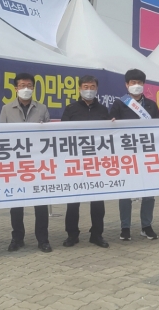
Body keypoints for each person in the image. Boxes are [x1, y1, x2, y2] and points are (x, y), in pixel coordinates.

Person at [0, 73, 52, 253]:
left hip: (37, 163)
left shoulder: (42, 108)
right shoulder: (7, 109)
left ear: (33, 88)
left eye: (29, 86)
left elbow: (49, 135)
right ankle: (17, 238)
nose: (26, 89)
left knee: (41, 203)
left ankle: (43, 239)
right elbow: (0, 135)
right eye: (22, 85)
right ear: (16, 88)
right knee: (16, 203)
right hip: (16, 163)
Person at [110, 69, 159, 241]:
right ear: (127, 84)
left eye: (139, 83)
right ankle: (125, 227)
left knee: (149, 192)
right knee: (125, 192)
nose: (136, 85)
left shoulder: (151, 105)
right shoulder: (119, 104)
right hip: (126, 155)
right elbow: (111, 129)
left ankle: (146, 226)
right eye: (133, 82)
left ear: (144, 84)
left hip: (146, 154)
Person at [61, 75, 110, 249]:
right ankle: (72, 234)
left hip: (96, 162)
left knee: (98, 201)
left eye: (92, 86)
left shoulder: (103, 110)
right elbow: (62, 133)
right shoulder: (71, 109)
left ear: (97, 89)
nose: (89, 90)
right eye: (85, 86)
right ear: (80, 88)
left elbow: (109, 135)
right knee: (73, 200)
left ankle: (96, 234)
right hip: (76, 161)